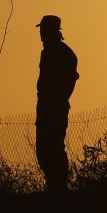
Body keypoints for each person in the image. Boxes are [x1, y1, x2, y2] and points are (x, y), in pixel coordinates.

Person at [35, 15, 79, 195]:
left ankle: (59, 187)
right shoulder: (46, 53)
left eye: (44, 30)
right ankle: (53, 186)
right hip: (44, 108)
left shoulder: (65, 54)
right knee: (43, 148)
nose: (41, 34)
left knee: (54, 146)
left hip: (55, 108)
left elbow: (71, 80)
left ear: (53, 31)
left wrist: (59, 101)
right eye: (41, 30)